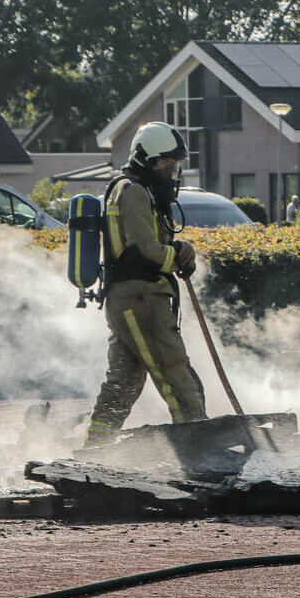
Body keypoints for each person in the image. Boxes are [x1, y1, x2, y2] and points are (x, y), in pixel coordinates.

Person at [84, 122, 207, 447]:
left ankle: (94, 450)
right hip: (142, 301)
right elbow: (144, 251)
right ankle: (199, 446)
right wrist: (179, 254)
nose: (172, 171)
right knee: (174, 371)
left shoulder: (130, 189)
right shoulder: (134, 192)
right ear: (148, 160)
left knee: (123, 382)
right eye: (168, 163)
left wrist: (177, 255)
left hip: (127, 302)